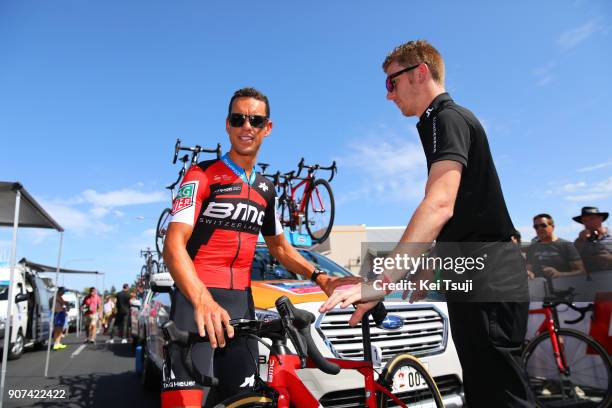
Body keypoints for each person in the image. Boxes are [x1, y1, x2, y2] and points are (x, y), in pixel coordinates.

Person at [320, 40, 534, 407]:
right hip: (479, 268)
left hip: (488, 272)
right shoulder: (442, 121)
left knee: (502, 397)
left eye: (392, 83)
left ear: (420, 73)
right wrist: (432, 265)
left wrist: (380, 282)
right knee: (488, 393)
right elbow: (469, 212)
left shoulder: (446, 117)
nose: (388, 96)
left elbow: (439, 205)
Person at [161, 87, 358, 407]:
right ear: (227, 125)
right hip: (195, 305)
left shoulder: (266, 189)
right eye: (238, 119)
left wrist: (322, 277)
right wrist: (202, 299)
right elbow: (173, 246)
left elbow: (280, 248)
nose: (246, 126)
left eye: (255, 120)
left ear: (268, 128)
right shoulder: (201, 175)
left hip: (242, 306)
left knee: (248, 401)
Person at [526, 213, 585, 281]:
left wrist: (560, 274)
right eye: (536, 227)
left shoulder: (566, 245)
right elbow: (529, 269)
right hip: (540, 288)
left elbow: (581, 271)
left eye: (543, 225)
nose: (540, 229)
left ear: (553, 226)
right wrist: (529, 274)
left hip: (564, 287)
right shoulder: (532, 248)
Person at [573, 206, 612, 273]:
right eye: (585, 220)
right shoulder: (580, 241)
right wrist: (580, 241)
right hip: (590, 281)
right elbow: (571, 263)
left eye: (592, 219)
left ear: (601, 219)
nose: (588, 223)